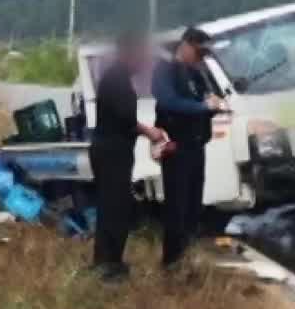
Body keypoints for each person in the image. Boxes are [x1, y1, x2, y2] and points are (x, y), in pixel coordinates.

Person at [89, 31, 169, 283]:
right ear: (128, 53)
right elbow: (125, 119)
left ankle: (111, 262)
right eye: (141, 55)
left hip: (116, 151)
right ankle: (106, 266)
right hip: (110, 151)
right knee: (114, 209)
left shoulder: (120, 78)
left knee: (117, 206)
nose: (144, 61)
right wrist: (150, 132)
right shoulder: (115, 80)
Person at [153, 26, 227, 271]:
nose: (202, 58)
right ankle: (172, 263)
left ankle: (188, 256)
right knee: (177, 207)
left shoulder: (196, 73)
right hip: (176, 148)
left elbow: (206, 99)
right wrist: (203, 107)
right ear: (185, 46)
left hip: (197, 147)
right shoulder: (165, 70)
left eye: (205, 54)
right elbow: (169, 101)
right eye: (199, 52)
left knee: (194, 207)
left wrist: (214, 104)